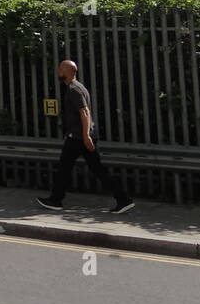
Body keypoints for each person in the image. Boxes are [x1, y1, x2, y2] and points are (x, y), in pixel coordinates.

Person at [37, 59, 134, 214]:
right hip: (81, 136)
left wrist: (85, 135)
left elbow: (85, 111)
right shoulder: (77, 87)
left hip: (78, 137)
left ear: (66, 72)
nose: (58, 72)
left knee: (64, 168)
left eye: (60, 69)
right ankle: (123, 199)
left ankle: (56, 199)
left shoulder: (74, 89)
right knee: (96, 170)